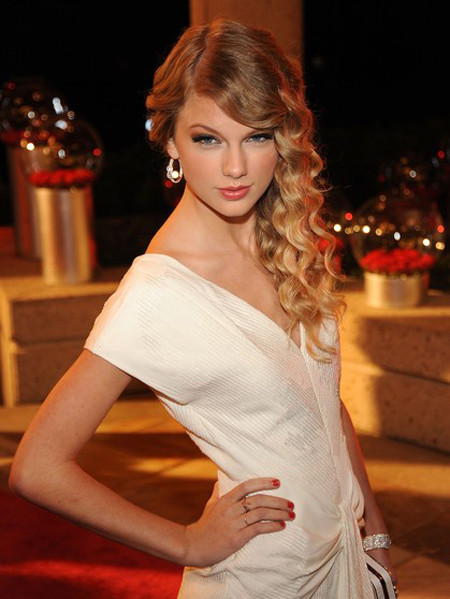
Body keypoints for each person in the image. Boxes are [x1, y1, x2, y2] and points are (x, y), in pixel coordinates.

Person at [9, 18, 397, 599]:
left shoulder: (288, 242)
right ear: (170, 141)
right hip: (264, 578)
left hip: (345, 557)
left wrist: (374, 528)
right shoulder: (157, 294)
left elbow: (322, 400)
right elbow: (38, 467)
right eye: (207, 139)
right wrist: (187, 542)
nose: (235, 167)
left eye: (257, 136)